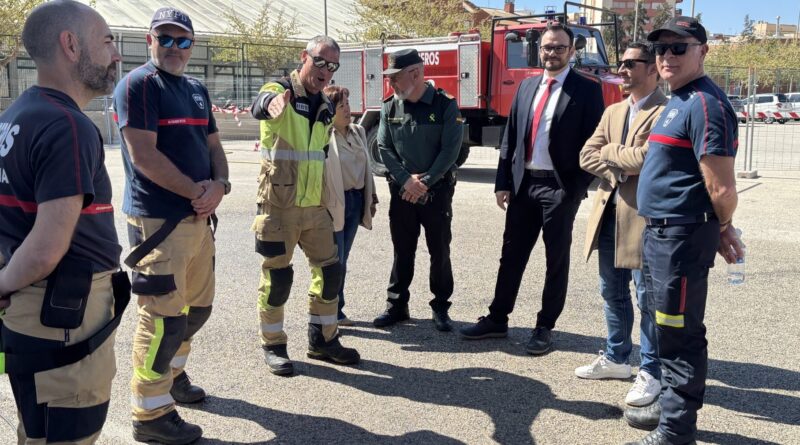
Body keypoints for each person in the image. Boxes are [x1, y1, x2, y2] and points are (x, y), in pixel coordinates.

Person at [0, 1, 128, 443]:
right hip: (62, 317)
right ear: (71, 45)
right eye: (107, 41)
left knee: (37, 431)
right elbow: (45, 249)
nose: (116, 54)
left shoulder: (17, 115)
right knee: (65, 433)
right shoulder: (66, 125)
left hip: (32, 312)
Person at [622, 17, 743, 445]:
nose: (667, 56)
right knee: (662, 324)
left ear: (703, 52)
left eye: (679, 47)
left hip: (681, 240)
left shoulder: (707, 104)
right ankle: (670, 406)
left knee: (679, 331)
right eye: (661, 49)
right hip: (661, 236)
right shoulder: (680, 99)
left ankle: (676, 430)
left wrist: (722, 227)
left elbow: (721, 188)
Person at [113, 7, 229, 444]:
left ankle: (172, 376)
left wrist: (219, 185)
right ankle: (150, 413)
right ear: (150, 40)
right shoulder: (139, 85)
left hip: (198, 219)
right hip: (159, 222)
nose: (173, 47)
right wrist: (197, 191)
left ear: (192, 46)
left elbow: (213, 146)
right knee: (162, 320)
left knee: (196, 309)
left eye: (182, 40)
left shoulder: (196, 89)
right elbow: (144, 155)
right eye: (165, 38)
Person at [460, 22, 604, 354]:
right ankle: (498, 319)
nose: (552, 53)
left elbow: (594, 143)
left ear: (571, 51)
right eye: (547, 47)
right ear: (539, 50)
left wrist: (576, 188)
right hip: (523, 186)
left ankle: (544, 326)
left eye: (559, 48)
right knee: (511, 255)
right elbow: (510, 138)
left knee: (556, 260)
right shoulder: (527, 87)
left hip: (559, 189)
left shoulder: (586, 90)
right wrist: (502, 182)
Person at [250, 35, 360, 377]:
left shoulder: (325, 106)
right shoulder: (280, 90)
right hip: (279, 207)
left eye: (332, 66)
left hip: (314, 207)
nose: (325, 71)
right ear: (304, 57)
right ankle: (273, 345)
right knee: (277, 279)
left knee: (330, 274)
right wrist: (270, 104)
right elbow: (262, 103)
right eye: (320, 62)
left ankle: (323, 340)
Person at [577, 42, 667, 407]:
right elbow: (586, 155)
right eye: (621, 63)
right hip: (608, 216)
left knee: (647, 298)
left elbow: (649, 158)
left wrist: (610, 153)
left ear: (653, 69)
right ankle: (616, 358)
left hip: (641, 220)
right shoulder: (613, 111)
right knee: (611, 292)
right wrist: (620, 167)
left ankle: (651, 371)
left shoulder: (665, 112)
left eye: (631, 63)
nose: (623, 70)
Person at [373, 48, 463, 332]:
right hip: (402, 193)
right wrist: (406, 181)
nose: (390, 83)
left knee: (439, 251)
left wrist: (424, 182)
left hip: (436, 194)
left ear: (414, 74)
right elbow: (384, 147)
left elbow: (451, 150)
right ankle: (397, 305)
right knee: (402, 250)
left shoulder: (444, 105)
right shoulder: (390, 106)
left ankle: (440, 306)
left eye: (395, 77)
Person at [322, 85, 379, 326]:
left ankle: (336, 309)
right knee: (334, 260)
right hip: (335, 202)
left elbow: (367, 169)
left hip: (356, 201)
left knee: (343, 258)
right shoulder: (323, 135)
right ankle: (331, 311)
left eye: (347, 104)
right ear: (329, 110)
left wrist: (372, 196)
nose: (347, 109)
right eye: (341, 106)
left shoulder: (358, 131)